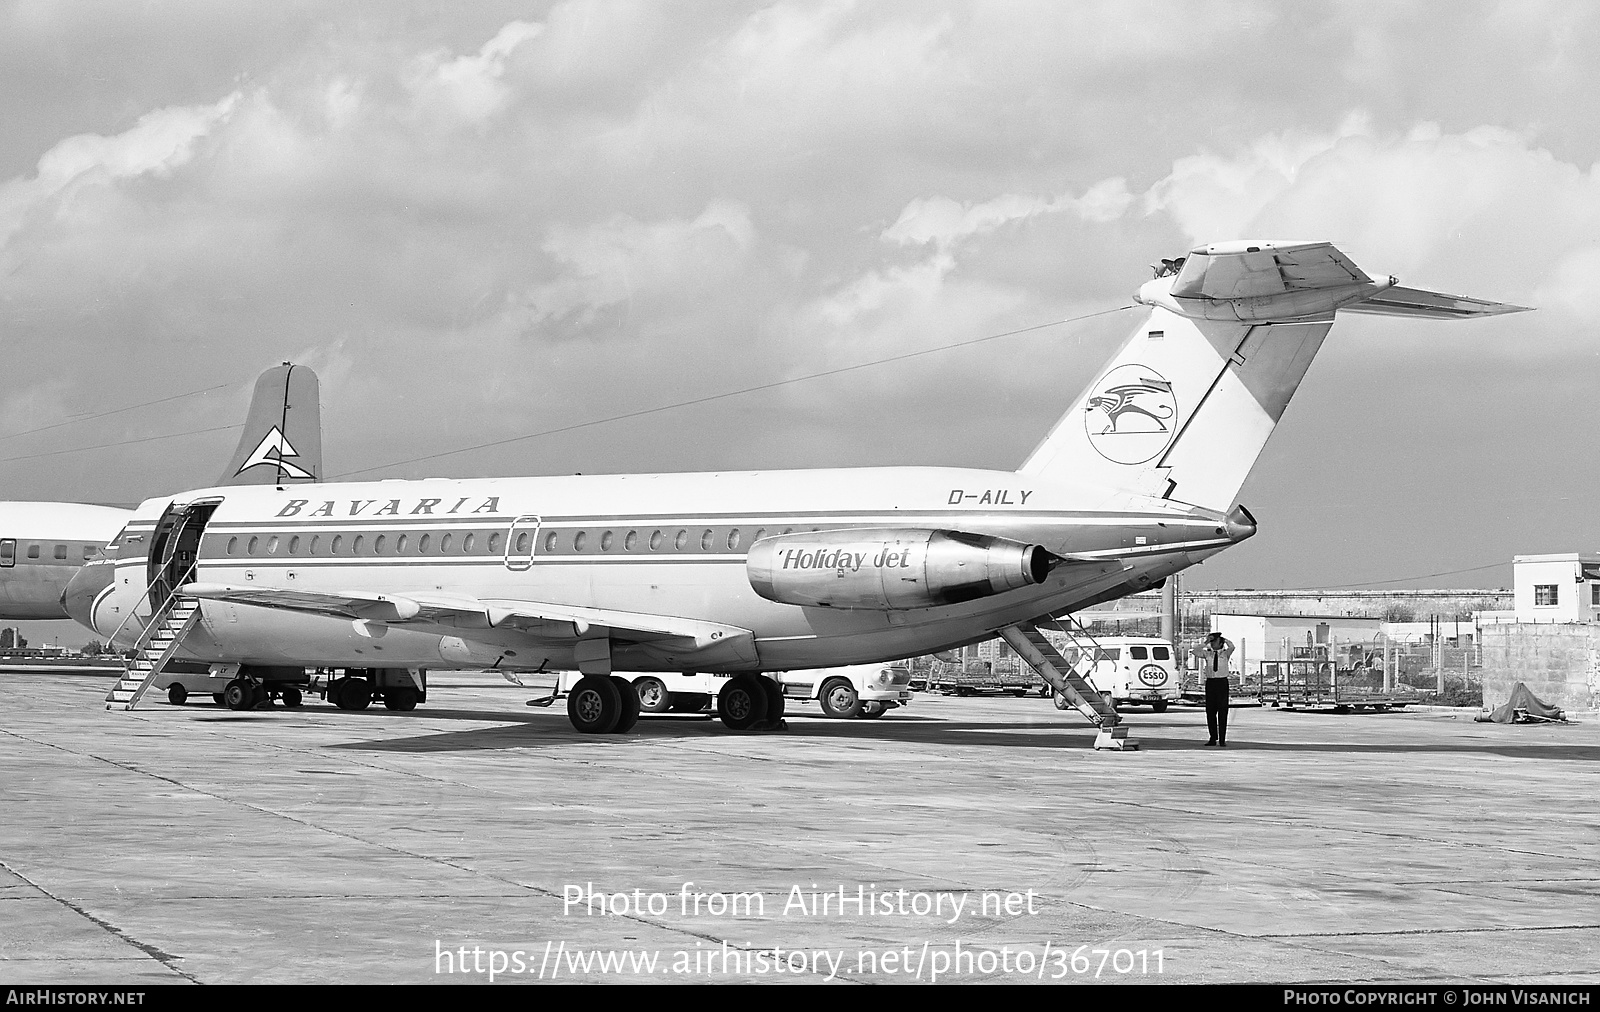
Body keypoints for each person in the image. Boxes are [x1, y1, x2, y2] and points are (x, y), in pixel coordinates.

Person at [1194, 632, 1235, 747]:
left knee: (1223, 712)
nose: (1212, 644)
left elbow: (1232, 646)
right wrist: (1206, 642)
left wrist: (1223, 639)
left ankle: (1222, 739)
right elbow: (1195, 651)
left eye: (1214, 642)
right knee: (1210, 712)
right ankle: (1213, 737)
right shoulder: (1208, 654)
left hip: (1222, 683)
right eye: (1211, 642)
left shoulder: (1225, 654)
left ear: (1220, 643)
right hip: (1211, 683)